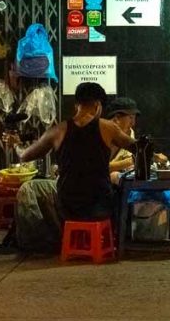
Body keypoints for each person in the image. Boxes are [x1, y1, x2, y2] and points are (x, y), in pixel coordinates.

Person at [14, 82, 135, 222]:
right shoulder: (108, 128)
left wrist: (16, 144)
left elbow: (24, 156)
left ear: (76, 105)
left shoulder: (58, 131)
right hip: (100, 206)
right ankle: (112, 239)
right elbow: (139, 147)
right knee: (119, 194)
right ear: (98, 105)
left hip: (68, 208)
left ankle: (64, 240)